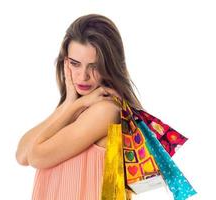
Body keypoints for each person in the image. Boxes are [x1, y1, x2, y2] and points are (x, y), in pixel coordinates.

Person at [16, 13, 145, 200]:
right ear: (65, 62)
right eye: (75, 64)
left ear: (110, 65)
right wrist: (71, 103)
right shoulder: (79, 108)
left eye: (94, 66)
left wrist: (75, 105)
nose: (83, 76)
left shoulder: (105, 110)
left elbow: (36, 157)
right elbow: (22, 156)